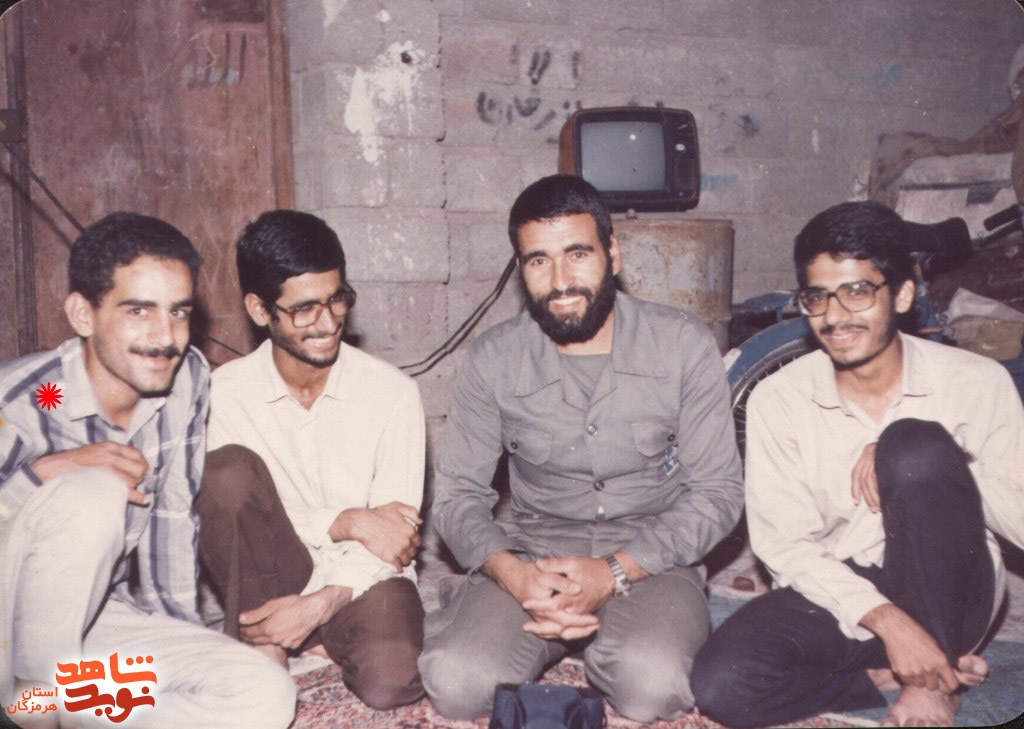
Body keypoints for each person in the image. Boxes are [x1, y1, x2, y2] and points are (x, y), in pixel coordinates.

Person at [418, 174, 744, 722]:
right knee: (456, 684)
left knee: (653, 688)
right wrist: (512, 574)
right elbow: (456, 498)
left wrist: (612, 573)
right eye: (539, 261)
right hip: (535, 550)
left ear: (612, 254)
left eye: (578, 254)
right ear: (521, 269)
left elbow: (718, 493)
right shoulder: (494, 357)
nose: (561, 280)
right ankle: (484, 608)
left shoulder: (683, 344)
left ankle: (619, 633)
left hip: (650, 554)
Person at [692, 201, 1024, 727]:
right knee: (723, 684)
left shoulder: (977, 382)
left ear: (903, 295)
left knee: (913, 444)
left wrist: (947, 458)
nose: (835, 316)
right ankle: (887, 674)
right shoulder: (780, 398)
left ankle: (931, 685)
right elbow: (785, 547)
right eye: (818, 296)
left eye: (858, 292)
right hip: (850, 592)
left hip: (956, 589)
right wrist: (888, 622)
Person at [0, 212, 295, 728]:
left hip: (89, 623)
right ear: (83, 315)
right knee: (92, 494)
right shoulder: (22, 397)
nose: (165, 337)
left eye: (178, 312)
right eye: (139, 310)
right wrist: (44, 472)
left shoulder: (186, 378)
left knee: (262, 691)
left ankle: (52, 710)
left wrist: (186, 645)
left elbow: (172, 524)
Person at [197, 209, 426, 710]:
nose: (327, 323)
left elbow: (393, 539)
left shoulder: (393, 394)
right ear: (260, 310)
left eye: (336, 299)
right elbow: (229, 516)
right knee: (225, 474)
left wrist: (319, 605)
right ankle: (268, 639)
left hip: (359, 578)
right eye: (303, 309)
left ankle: (313, 635)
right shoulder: (223, 395)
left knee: (391, 682)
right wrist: (344, 521)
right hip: (267, 574)